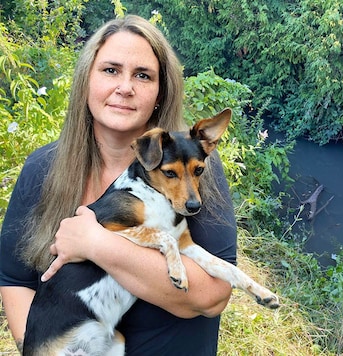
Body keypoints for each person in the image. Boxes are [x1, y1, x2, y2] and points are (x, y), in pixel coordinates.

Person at [0, 15, 237, 355]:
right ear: (86, 81)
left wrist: (97, 244)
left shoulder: (193, 174)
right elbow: (15, 280)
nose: (125, 87)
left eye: (143, 75)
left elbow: (212, 296)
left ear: (160, 92)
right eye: (110, 70)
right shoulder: (42, 168)